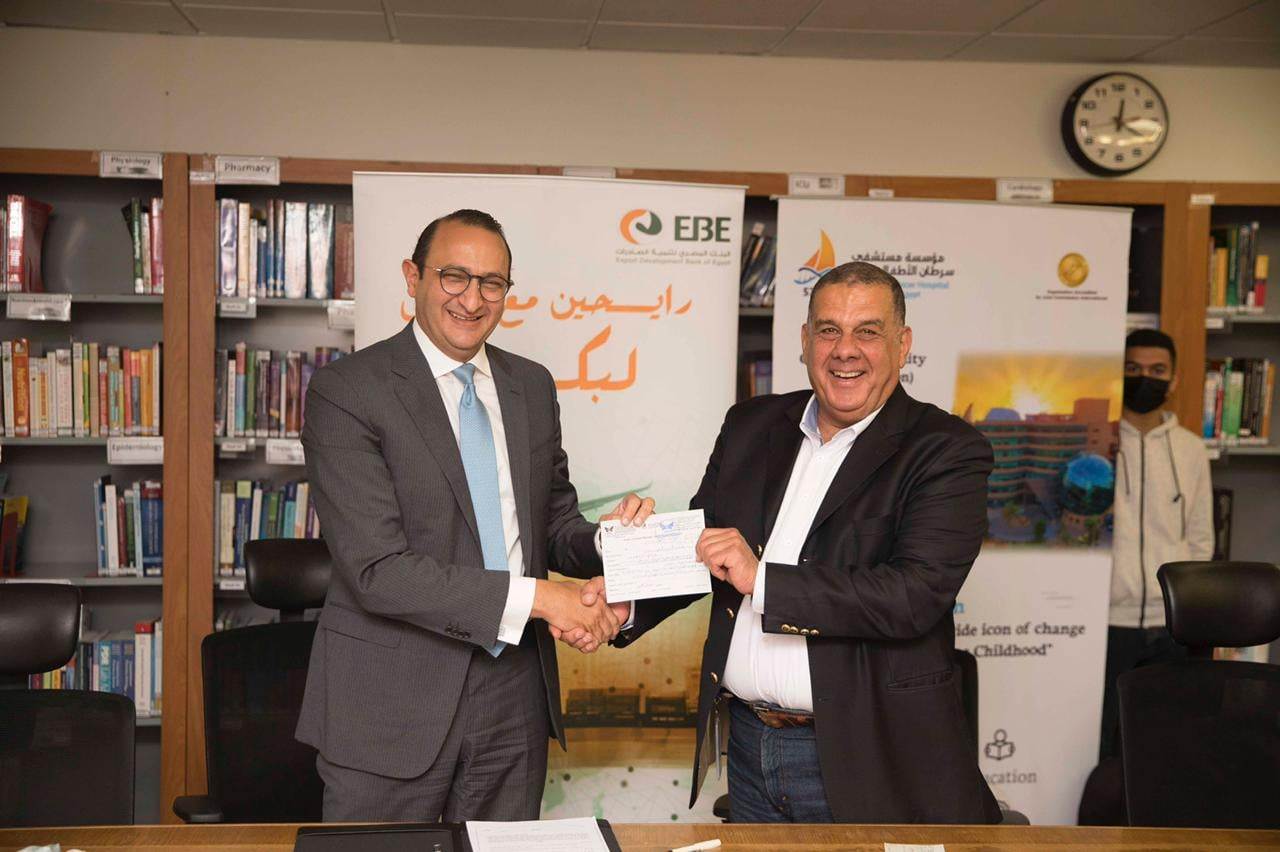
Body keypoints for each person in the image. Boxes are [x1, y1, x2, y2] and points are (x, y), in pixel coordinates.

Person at [575, 261, 1000, 824]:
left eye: (867, 332)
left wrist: (763, 580)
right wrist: (627, 603)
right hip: (749, 747)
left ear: (903, 345)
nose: (845, 350)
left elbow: (912, 596)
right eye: (828, 330)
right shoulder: (751, 424)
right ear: (804, 340)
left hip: (869, 756)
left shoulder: (946, 450)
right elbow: (706, 552)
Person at [296, 208, 653, 822]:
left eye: (492, 283)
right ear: (413, 277)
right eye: (453, 276)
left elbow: (552, 525)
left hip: (513, 693)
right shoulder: (349, 392)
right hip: (389, 698)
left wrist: (609, 542)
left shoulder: (531, 386)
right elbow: (378, 571)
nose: (472, 299)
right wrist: (544, 599)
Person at [1098, 328, 1213, 760]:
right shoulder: (1100, 443)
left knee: (1167, 750)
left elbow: (1200, 540)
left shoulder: (1192, 450)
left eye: (1157, 370)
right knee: (1104, 748)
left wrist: (1188, 609)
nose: (1145, 378)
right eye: (1133, 368)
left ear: (1174, 379)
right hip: (1108, 625)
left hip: (1173, 629)